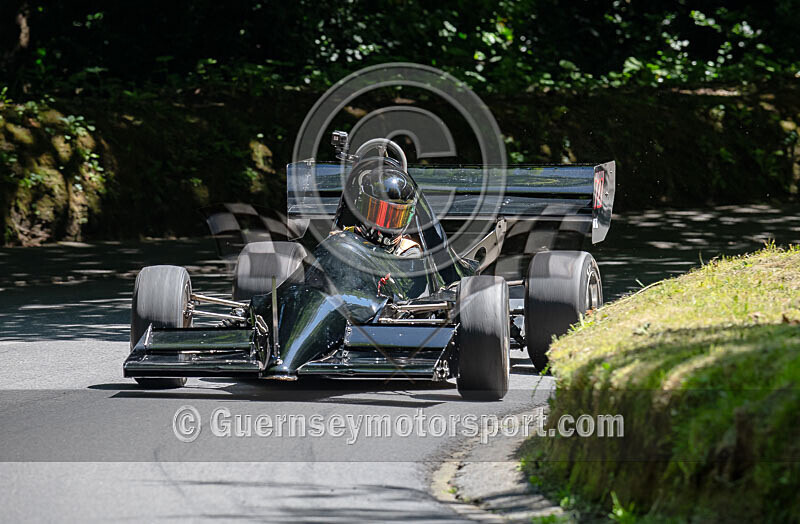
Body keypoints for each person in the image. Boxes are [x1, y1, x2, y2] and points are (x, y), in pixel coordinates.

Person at [332, 157, 422, 257]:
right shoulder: (342, 240)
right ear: (363, 208)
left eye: (395, 217)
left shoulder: (408, 252)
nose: (387, 225)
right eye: (382, 214)